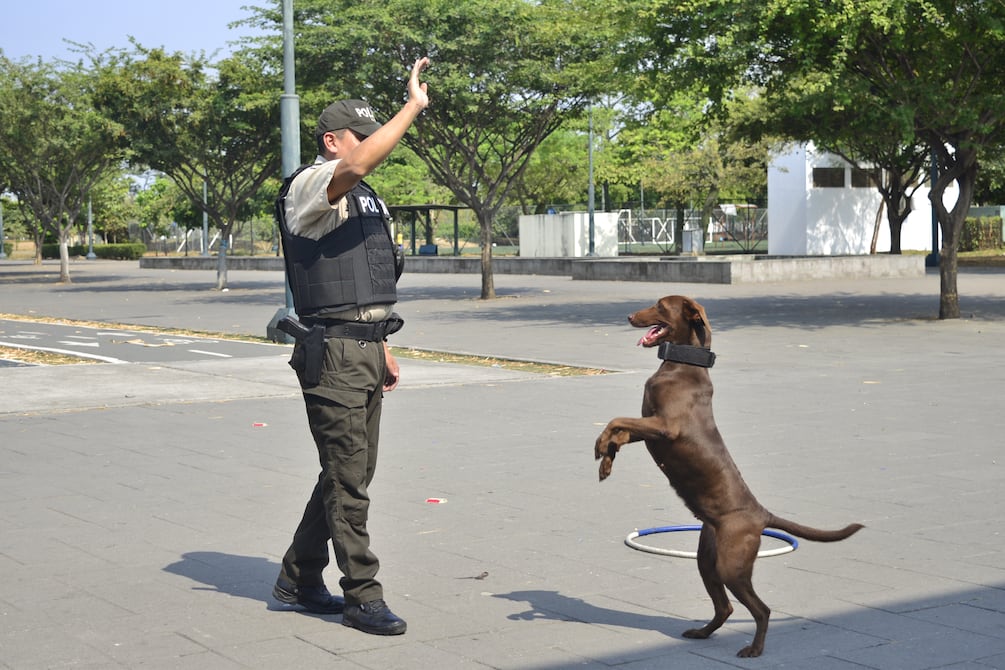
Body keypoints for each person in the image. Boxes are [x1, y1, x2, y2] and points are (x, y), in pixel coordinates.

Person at [272, 57, 430, 636]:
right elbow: (359, 162)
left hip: (365, 346)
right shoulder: (313, 183)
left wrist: (382, 344)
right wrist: (412, 105)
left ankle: (297, 574)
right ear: (331, 140)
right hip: (331, 352)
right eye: (359, 139)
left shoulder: (366, 196)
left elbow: (367, 285)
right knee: (348, 481)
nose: (369, 149)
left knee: (348, 472)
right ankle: (362, 594)